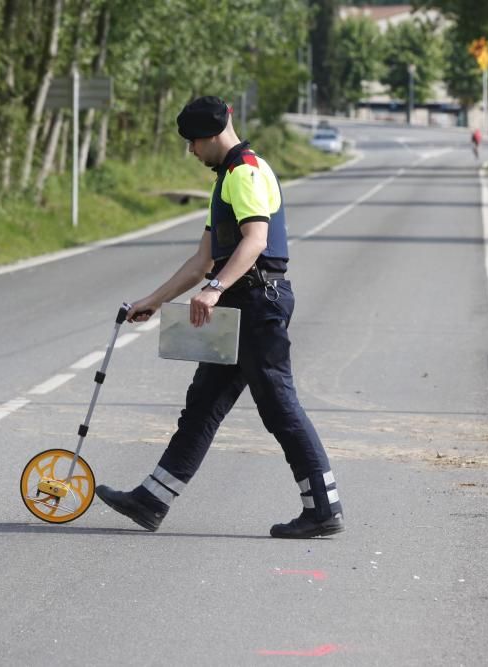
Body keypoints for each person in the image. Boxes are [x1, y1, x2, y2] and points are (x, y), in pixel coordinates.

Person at [95, 96, 343, 539]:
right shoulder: (227, 177)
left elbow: (255, 240)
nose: (191, 152)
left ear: (210, 137)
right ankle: (152, 499)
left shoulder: (244, 172)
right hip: (240, 304)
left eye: (192, 143)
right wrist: (151, 300)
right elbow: (201, 260)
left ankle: (323, 507)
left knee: (279, 407)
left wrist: (214, 289)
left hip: (257, 303)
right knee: (202, 407)